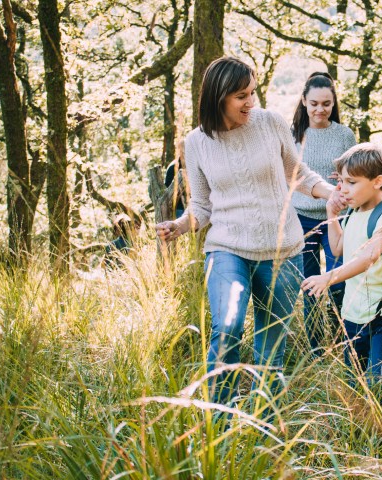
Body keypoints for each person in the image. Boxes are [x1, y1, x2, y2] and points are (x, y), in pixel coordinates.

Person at [155, 57, 338, 417]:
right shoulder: (196, 142)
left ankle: (262, 421)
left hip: (282, 249)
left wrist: (330, 192)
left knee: (271, 345)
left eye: (252, 92)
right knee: (228, 326)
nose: (250, 102)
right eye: (242, 95)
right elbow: (202, 206)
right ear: (218, 97)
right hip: (227, 248)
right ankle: (218, 419)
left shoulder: (270, 123)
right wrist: (179, 226)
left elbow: (297, 173)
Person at [302, 143, 382, 413]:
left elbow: (368, 257)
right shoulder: (352, 214)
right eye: (341, 182)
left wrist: (329, 277)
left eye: (351, 182)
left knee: (377, 384)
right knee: (354, 385)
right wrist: (332, 215)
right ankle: (359, 440)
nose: (343, 189)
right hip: (353, 315)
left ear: (377, 181)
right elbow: (337, 248)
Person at [291, 71, 356, 355]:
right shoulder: (292, 136)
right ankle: (317, 350)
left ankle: (345, 342)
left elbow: (356, 174)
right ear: (304, 101)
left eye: (326, 104)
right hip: (300, 218)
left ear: (333, 103)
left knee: (338, 282)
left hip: (336, 218)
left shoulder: (344, 134)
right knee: (310, 288)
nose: (320, 109)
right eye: (314, 103)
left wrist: (344, 180)